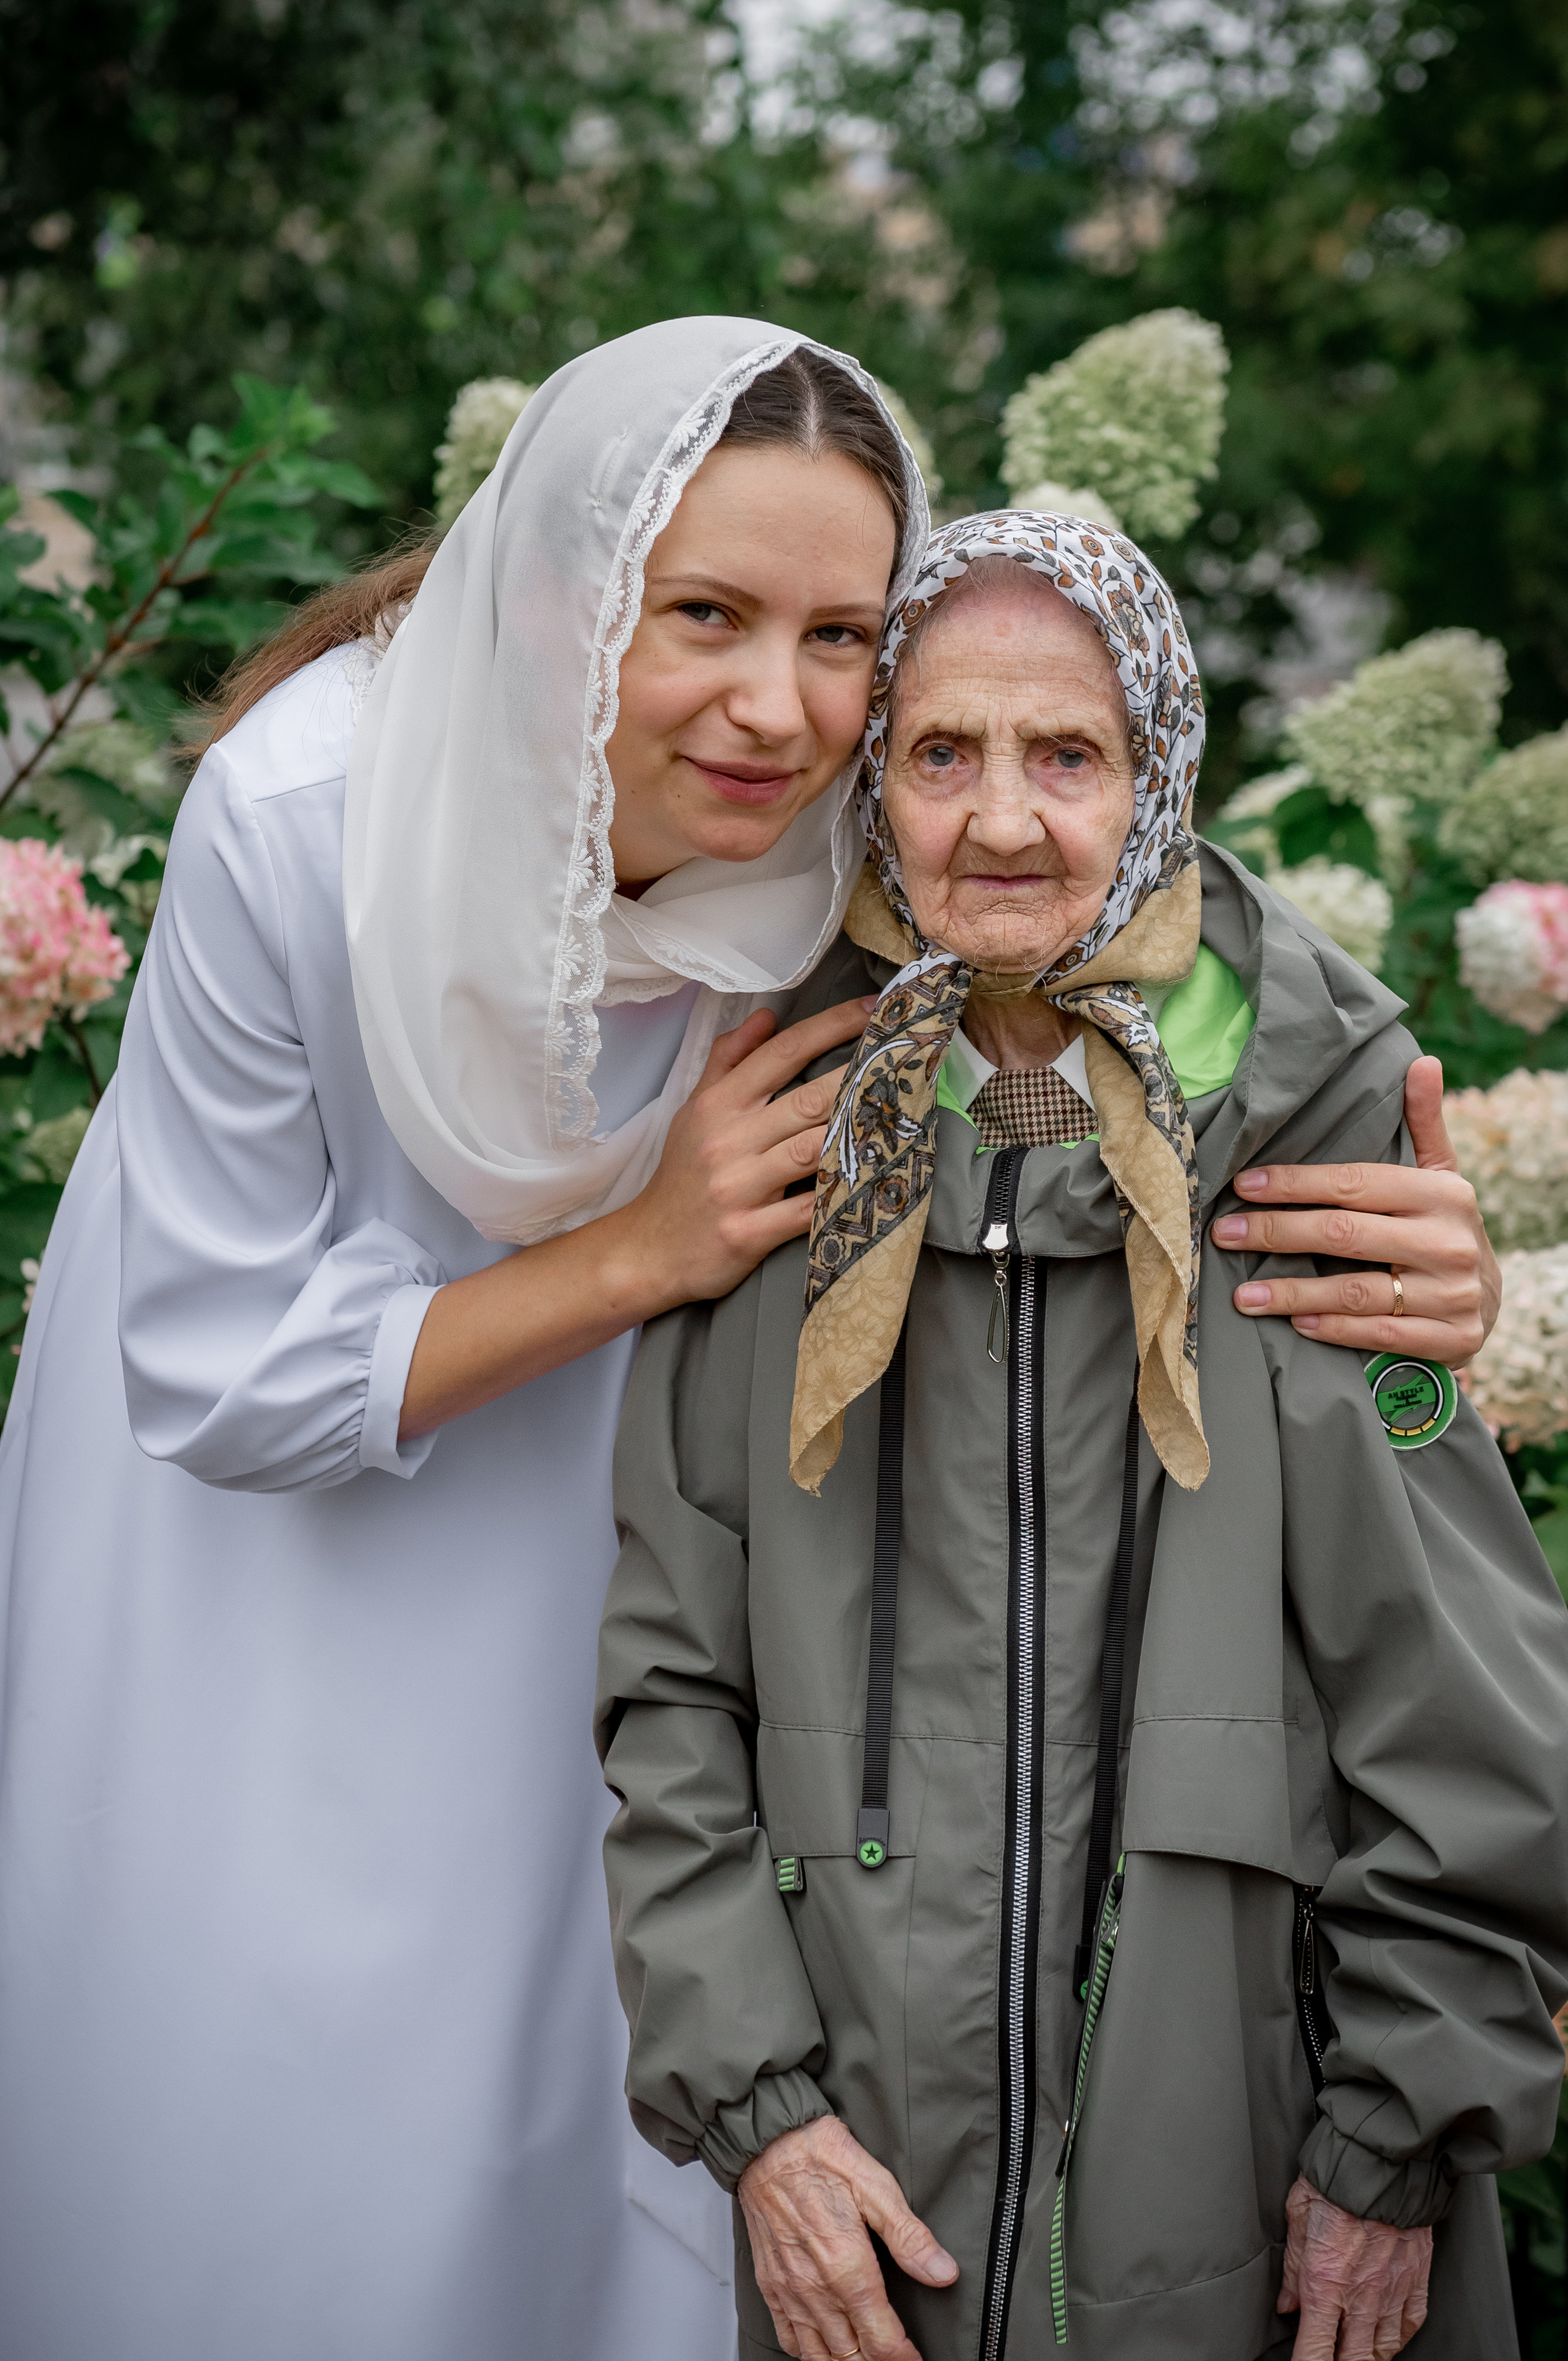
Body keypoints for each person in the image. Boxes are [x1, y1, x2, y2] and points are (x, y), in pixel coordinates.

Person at [0, 318, 1497, 2359]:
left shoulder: (838, 822)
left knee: (590, 2107)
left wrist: (1394, 1259)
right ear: (568, 595)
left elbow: (1127, 969)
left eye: (843, 641)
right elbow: (210, 1366)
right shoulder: (305, 818)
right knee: (290, 2125)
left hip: (656, 1531)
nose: (780, 707)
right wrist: (637, 1249)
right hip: (280, 1534)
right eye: (704, 612)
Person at [596, 514, 1568, 2361]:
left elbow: (1462, 1711)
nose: (1004, 822)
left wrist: (1392, 2142)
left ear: (1161, 773)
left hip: (1265, 2186)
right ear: (875, 776)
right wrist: (764, 2124)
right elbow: (669, 1683)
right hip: (863, 2203)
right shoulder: (787, 1131)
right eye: (943, 752)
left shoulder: (1310, 1145)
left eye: (1070, 755)